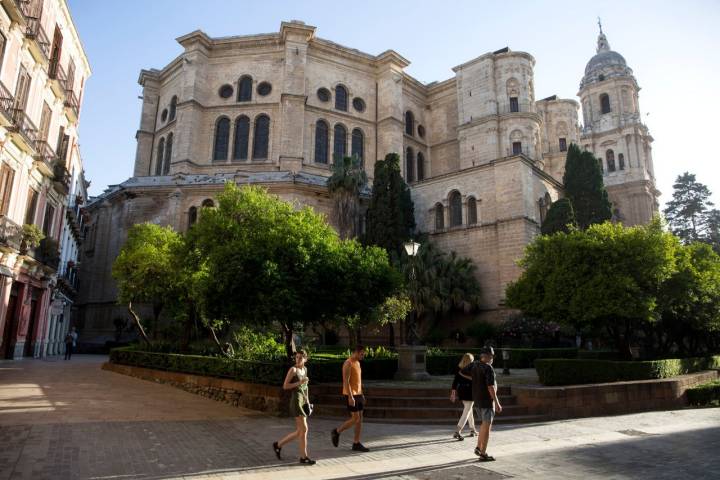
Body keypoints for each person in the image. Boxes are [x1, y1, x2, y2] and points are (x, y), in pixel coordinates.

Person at [273, 349, 316, 465]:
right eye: (297, 357)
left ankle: (278, 445)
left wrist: (307, 399)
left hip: (303, 400)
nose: (298, 359)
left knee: (300, 431)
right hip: (296, 400)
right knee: (304, 429)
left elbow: (306, 386)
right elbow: (285, 386)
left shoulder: (305, 369)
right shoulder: (293, 370)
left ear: (305, 359)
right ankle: (304, 456)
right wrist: (299, 383)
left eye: (300, 358)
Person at [460, 346, 502, 461]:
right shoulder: (488, 368)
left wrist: (474, 378)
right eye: (491, 356)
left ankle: (478, 447)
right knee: (487, 427)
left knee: (484, 425)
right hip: (487, 401)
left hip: (477, 400)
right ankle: (483, 453)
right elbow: (491, 387)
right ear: (487, 356)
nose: (492, 358)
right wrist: (497, 402)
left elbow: (462, 371)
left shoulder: (475, 364)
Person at [331, 344, 369, 452]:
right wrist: (350, 397)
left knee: (360, 419)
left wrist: (362, 394)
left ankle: (356, 443)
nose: (363, 356)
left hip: (359, 394)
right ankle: (337, 431)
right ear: (356, 352)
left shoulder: (357, 363)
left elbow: (358, 380)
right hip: (350, 394)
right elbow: (346, 381)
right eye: (361, 354)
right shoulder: (348, 363)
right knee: (355, 418)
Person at [451, 353, 478, 440]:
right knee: (467, 411)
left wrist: (453, 392)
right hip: (469, 391)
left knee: (468, 410)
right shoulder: (472, 368)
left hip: (461, 391)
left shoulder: (459, 368)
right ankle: (458, 431)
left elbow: (455, 381)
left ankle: (472, 429)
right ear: (471, 360)